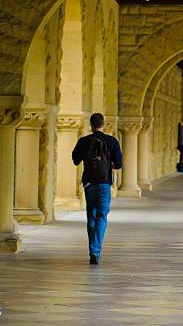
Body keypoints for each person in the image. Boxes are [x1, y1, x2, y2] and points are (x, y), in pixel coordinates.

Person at [72, 113, 122, 265]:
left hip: (89, 184)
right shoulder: (111, 141)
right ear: (103, 124)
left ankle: (93, 250)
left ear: (91, 125)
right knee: (101, 216)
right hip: (104, 184)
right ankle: (95, 250)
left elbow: (75, 160)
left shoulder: (84, 141)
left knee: (91, 216)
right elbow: (119, 164)